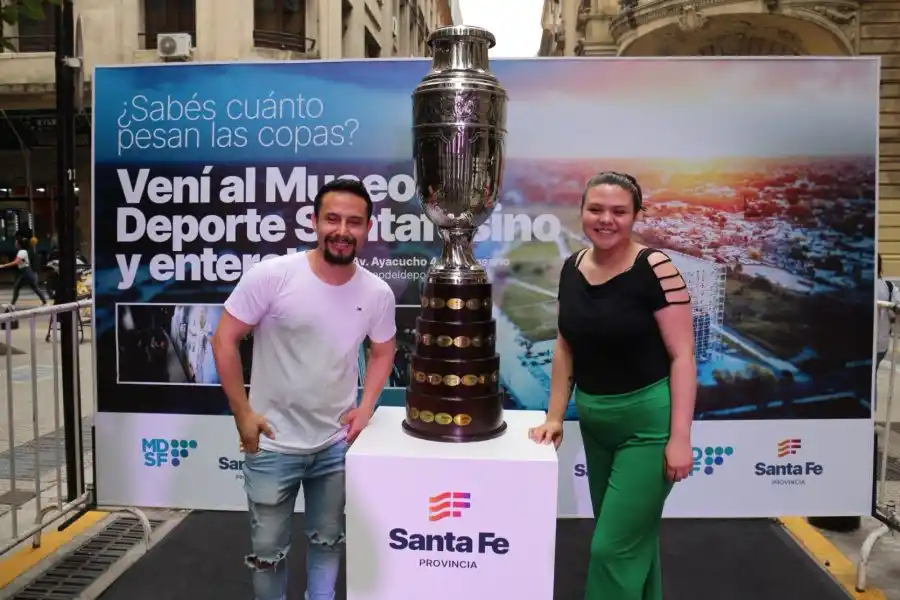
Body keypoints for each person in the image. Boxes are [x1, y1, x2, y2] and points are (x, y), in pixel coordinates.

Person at [212, 178, 397, 600]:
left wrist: (365, 408)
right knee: (267, 554)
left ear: (368, 228)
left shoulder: (377, 292)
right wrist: (242, 414)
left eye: (354, 222)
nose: (342, 230)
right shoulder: (272, 276)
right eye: (332, 219)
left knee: (328, 543)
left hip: (334, 446)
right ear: (313, 221)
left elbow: (384, 352)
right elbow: (224, 340)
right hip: (272, 446)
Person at [529, 171, 696, 600]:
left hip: (647, 426)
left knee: (611, 548)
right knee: (631, 541)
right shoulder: (572, 267)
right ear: (582, 211)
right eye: (596, 209)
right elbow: (566, 346)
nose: (606, 219)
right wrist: (555, 416)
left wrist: (680, 438)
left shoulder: (656, 268)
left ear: (637, 215)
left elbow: (682, 357)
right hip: (595, 422)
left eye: (619, 211)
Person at [0, 237, 48, 308]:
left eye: (16, 242)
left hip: (26, 273)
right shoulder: (22, 251)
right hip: (27, 272)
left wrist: (3, 266)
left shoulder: (22, 252)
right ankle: (45, 303)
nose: (15, 243)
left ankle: (12, 305)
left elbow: (16, 262)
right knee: (35, 288)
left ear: (19, 244)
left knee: (17, 287)